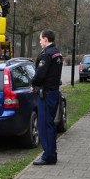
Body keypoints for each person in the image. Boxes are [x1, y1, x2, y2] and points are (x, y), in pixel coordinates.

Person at [30, 29, 63, 165]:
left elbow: (40, 74)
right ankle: (52, 154)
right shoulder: (57, 53)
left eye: (40, 39)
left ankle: (48, 156)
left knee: (44, 125)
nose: (39, 42)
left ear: (45, 39)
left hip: (46, 93)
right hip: (54, 92)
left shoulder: (47, 55)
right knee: (51, 124)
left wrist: (33, 83)